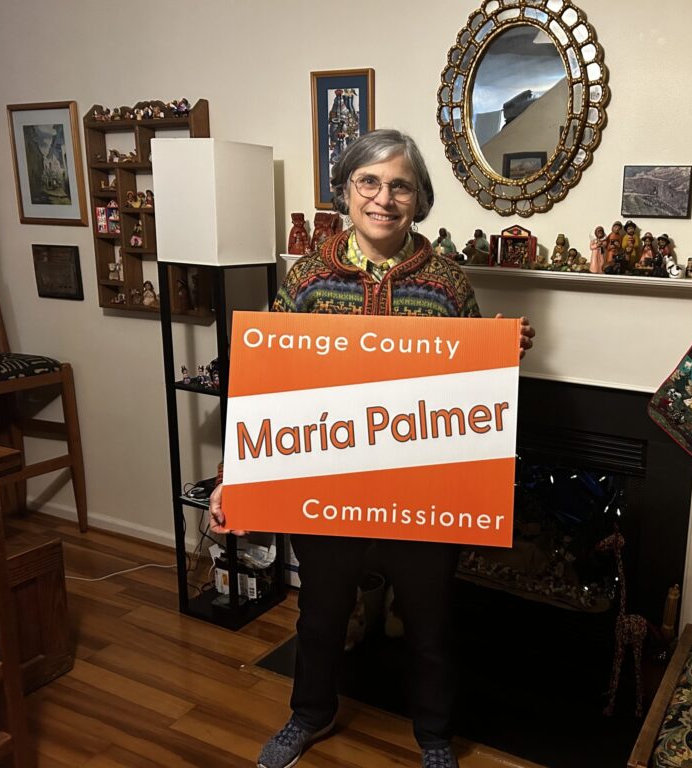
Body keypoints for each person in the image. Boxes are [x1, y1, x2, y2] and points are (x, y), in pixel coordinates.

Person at [208, 129, 535, 768]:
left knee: (431, 621)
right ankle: (309, 714)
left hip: (421, 490)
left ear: (419, 198)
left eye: (400, 185)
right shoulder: (304, 279)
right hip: (326, 482)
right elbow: (266, 385)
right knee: (321, 614)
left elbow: (469, 389)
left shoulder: (446, 283)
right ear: (346, 191)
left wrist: (500, 352)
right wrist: (235, 478)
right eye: (370, 182)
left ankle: (435, 734)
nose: (384, 198)